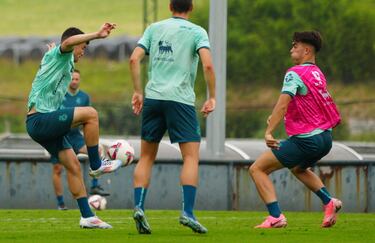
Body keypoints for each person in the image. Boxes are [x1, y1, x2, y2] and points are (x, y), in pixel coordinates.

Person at [129, 0, 216, 234]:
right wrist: (212, 97)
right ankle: (187, 212)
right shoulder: (197, 31)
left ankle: (139, 206)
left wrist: (138, 91)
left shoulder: (154, 28)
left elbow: (134, 59)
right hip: (180, 100)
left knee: (146, 156)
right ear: (192, 7)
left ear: (170, 6)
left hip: (154, 98)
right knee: (190, 157)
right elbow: (207, 66)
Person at [26, 23, 123, 229]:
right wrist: (97, 34)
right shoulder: (63, 53)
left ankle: (87, 216)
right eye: (84, 47)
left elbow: (60, 55)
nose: (84, 51)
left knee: (72, 165)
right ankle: (97, 165)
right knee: (91, 114)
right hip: (39, 119)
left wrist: (53, 52)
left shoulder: (63, 60)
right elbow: (68, 42)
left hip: (41, 123)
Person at [249, 31, 342, 228]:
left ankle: (276, 217)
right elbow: (307, 105)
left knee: (257, 169)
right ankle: (329, 202)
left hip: (307, 139)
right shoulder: (317, 73)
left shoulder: (295, 73)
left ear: (306, 49)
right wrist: (280, 116)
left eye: (295, 45)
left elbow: (283, 104)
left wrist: (269, 131)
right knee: (299, 168)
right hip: (325, 137)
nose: (292, 48)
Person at [52, 69, 110, 211]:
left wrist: (89, 137)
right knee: (58, 169)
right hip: (61, 136)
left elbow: (87, 121)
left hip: (76, 137)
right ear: (68, 80)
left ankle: (95, 185)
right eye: (72, 79)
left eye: (77, 79)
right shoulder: (59, 95)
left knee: (97, 149)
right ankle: (60, 203)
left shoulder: (84, 97)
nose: (74, 81)